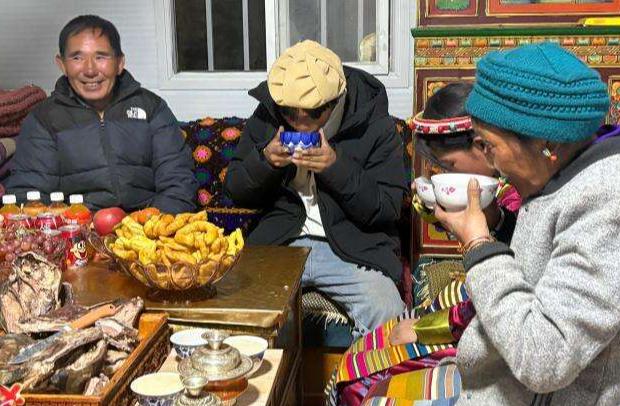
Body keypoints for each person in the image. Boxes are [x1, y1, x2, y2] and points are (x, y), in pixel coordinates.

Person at [365, 42, 620, 405]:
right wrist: (496, 226)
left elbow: (543, 360)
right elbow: (537, 270)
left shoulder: (604, 204)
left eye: (488, 146)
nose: (491, 165)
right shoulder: (559, 175)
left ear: (547, 143)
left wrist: (479, 247)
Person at [326, 82, 519, 406]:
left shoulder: (525, 190)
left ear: (482, 146)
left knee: (358, 382)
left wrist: (426, 329)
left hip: (495, 330)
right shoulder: (504, 188)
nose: (442, 174)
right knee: (365, 350)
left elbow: (507, 296)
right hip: (477, 302)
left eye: (449, 167)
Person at [224, 40, 407, 336]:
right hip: (279, 243)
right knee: (231, 305)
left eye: (312, 115)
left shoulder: (375, 124)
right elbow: (235, 191)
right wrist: (265, 162)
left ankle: (365, 369)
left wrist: (335, 168)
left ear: (335, 102)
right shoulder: (268, 115)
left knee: (387, 312)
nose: (300, 125)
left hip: (353, 248)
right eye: (289, 114)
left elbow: (386, 208)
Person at [5, 15, 197, 213]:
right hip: (76, 227)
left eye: (101, 57)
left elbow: (178, 183)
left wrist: (151, 224)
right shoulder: (44, 119)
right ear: (62, 64)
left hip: (147, 225)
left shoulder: (151, 108)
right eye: (77, 58)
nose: (90, 70)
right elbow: (29, 196)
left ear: (119, 62)